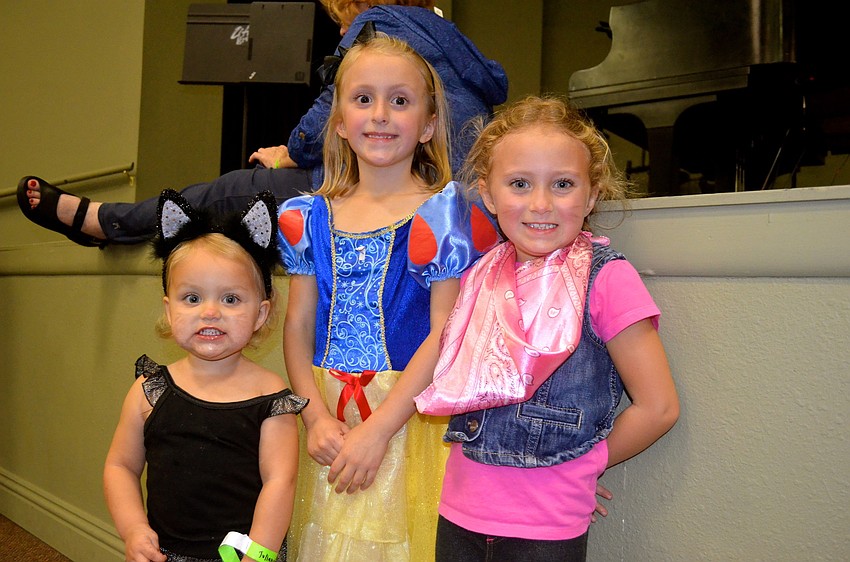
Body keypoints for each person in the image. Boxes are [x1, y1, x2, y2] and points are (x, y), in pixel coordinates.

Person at [412, 95, 680, 561]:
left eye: (562, 184)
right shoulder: (479, 277)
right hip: (460, 512)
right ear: (490, 194)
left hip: (548, 528)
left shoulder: (606, 278)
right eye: (519, 183)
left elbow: (658, 408)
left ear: (591, 195)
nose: (540, 204)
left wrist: (586, 465)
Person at [16, 0, 508, 247]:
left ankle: (105, 221)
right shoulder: (449, 38)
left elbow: (327, 119)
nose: (341, 31)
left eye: (339, 18)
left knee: (234, 189)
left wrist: (289, 152)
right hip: (461, 193)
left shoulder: (376, 23)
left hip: (410, 181)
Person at [277, 33, 499, 561]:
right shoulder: (308, 216)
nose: (380, 114)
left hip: (405, 417)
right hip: (327, 416)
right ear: (339, 122)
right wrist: (313, 416)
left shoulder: (442, 213)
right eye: (363, 99)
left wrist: (379, 429)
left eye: (400, 100)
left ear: (427, 124)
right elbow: (297, 328)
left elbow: (444, 332)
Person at [102, 189, 308, 562]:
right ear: (169, 310)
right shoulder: (149, 390)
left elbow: (281, 483)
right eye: (192, 298)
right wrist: (133, 530)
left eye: (230, 299)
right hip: (164, 553)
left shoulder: (271, 396)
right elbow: (120, 466)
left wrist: (259, 555)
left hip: (243, 556)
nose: (210, 312)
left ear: (261, 315)